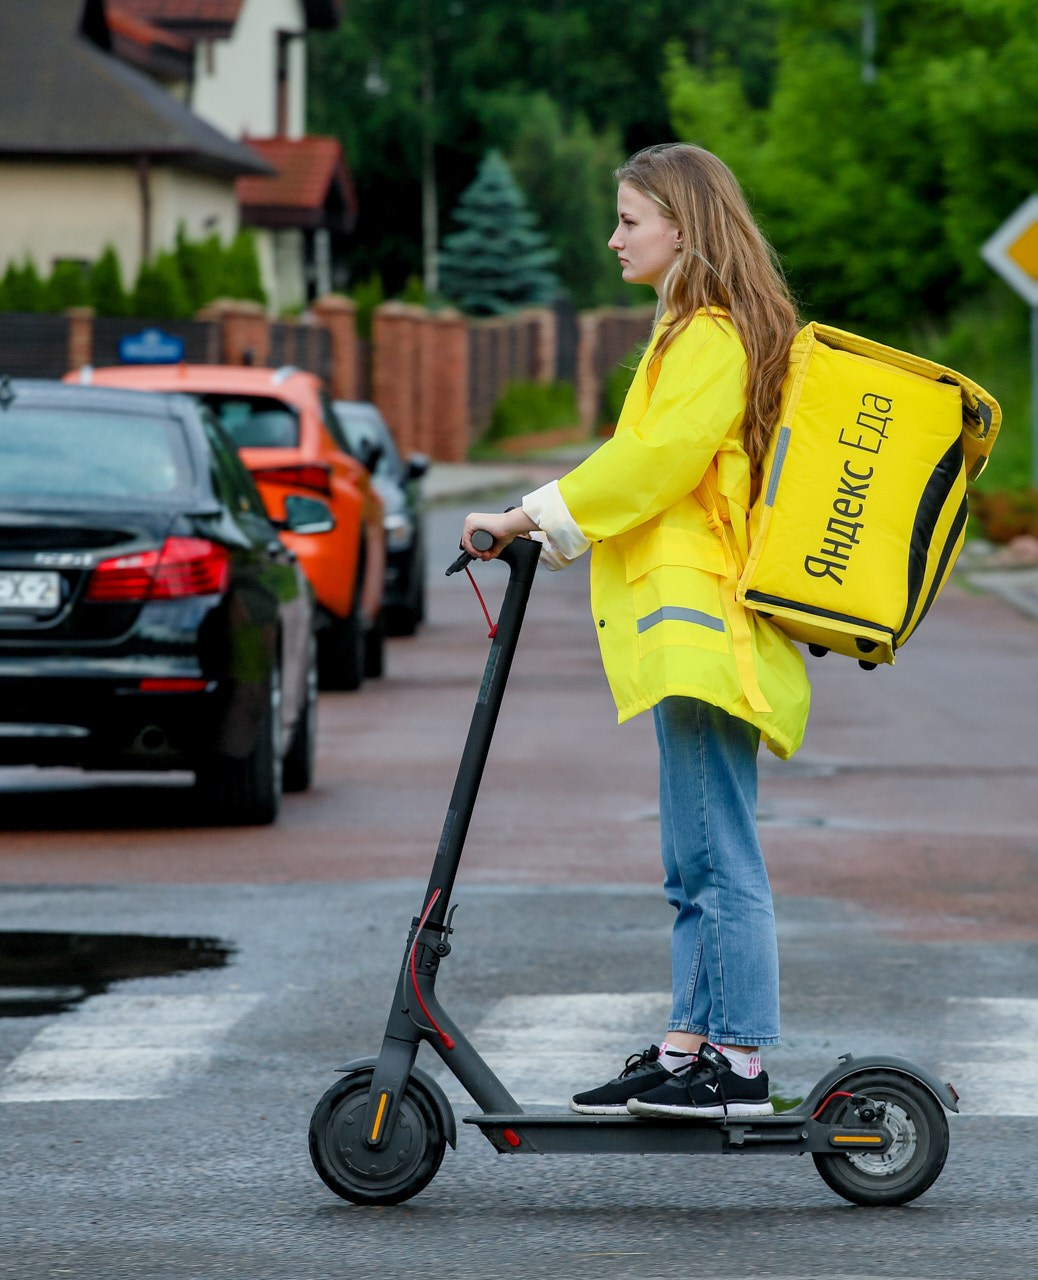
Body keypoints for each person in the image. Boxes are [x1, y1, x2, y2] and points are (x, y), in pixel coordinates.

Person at [460, 143, 809, 1119]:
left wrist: (524, 516)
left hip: (701, 634)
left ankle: (735, 1062)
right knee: (691, 855)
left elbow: (651, 462)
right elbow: (636, 455)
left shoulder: (712, 337)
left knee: (717, 852)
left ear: (685, 228)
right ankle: (689, 1042)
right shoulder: (690, 331)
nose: (612, 238)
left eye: (629, 220)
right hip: (682, 635)